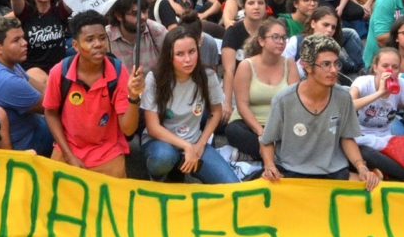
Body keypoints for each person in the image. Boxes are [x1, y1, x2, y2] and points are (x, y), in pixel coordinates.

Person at [259, 34, 381, 188]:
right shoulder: (284, 99)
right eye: (326, 64)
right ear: (307, 66)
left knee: (369, 190)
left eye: (336, 64)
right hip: (291, 171)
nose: (334, 70)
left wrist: (361, 168)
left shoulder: (344, 97)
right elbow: (267, 141)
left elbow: (347, 138)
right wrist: (269, 166)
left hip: (333, 170)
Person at [44, 11, 145, 179]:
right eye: (89, 40)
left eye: (102, 38)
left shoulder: (118, 71)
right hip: (67, 149)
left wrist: (133, 97)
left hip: (107, 153)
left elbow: (128, 130)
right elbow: (50, 113)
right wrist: (69, 156)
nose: (98, 44)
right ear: (75, 45)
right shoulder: (59, 72)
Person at [140, 26, 238, 184]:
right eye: (180, 54)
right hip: (160, 142)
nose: (188, 59)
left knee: (230, 184)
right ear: (169, 55)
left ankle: (178, 169)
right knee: (163, 158)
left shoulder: (207, 75)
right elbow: (153, 127)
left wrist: (200, 144)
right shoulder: (155, 78)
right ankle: (158, 177)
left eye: (192, 51)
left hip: (195, 141)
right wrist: (187, 147)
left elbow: (216, 112)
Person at [0, 15, 54, 155]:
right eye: (16, 40)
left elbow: (36, 84)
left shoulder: (0, 61)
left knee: (37, 72)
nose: (24, 43)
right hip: (25, 144)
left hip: (29, 126)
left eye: (22, 37)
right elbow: (52, 107)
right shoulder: (5, 81)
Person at [224, 18, 299, 162]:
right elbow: (242, 106)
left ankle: (255, 156)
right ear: (261, 41)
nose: (281, 41)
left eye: (284, 38)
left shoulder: (289, 64)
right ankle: (276, 156)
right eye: (275, 37)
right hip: (248, 124)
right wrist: (261, 132)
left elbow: (294, 103)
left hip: (279, 124)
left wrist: (279, 131)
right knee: (233, 131)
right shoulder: (247, 65)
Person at [350, 48, 404, 181]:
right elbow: (348, 106)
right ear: (375, 68)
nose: (390, 71)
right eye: (385, 66)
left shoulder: (402, 85)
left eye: (395, 67)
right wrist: (379, 92)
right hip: (361, 137)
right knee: (365, 153)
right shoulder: (363, 82)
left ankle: (384, 172)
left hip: (385, 138)